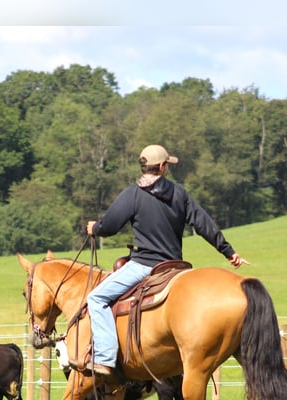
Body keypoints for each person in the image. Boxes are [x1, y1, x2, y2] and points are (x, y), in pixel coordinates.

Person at [81, 144, 249, 376]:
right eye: (167, 164)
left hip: (144, 267)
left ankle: (105, 358)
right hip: (176, 268)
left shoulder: (133, 194)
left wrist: (95, 228)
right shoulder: (179, 193)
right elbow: (203, 224)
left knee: (96, 297)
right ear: (162, 167)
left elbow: (109, 227)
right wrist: (229, 252)